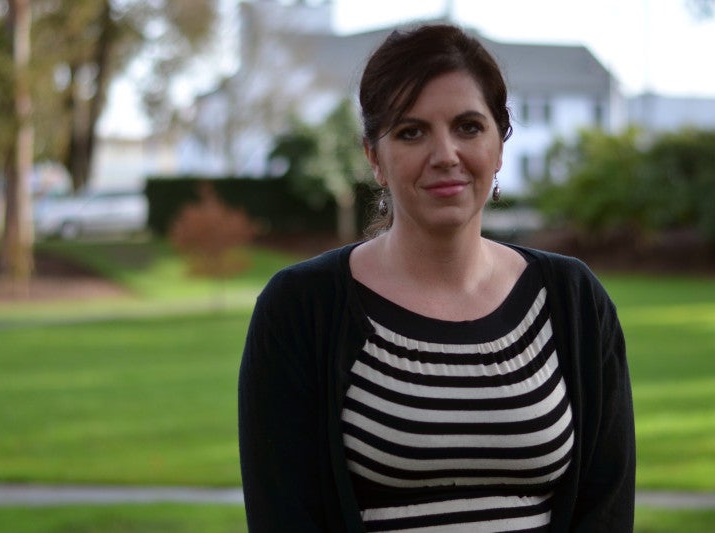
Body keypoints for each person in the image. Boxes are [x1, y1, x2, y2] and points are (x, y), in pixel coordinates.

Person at [239, 23, 635, 532]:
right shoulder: (300, 308)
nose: (445, 154)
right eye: (411, 131)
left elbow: (606, 509)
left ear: (499, 145)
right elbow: (284, 516)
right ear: (374, 157)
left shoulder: (574, 301)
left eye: (468, 127)